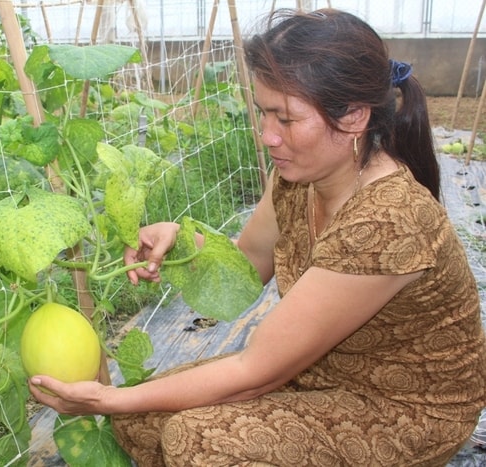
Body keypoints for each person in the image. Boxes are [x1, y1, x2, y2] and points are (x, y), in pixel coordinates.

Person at [29, 8, 486, 466]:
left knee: (195, 441)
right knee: (143, 419)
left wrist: (106, 400)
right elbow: (247, 262)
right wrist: (179, 241)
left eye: (285, 119)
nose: (267, 135)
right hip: (317, 371)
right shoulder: (297, 178)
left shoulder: (389, 220)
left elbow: (255, 372)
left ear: (353, 117)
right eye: (264, 112)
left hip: (403, 411)